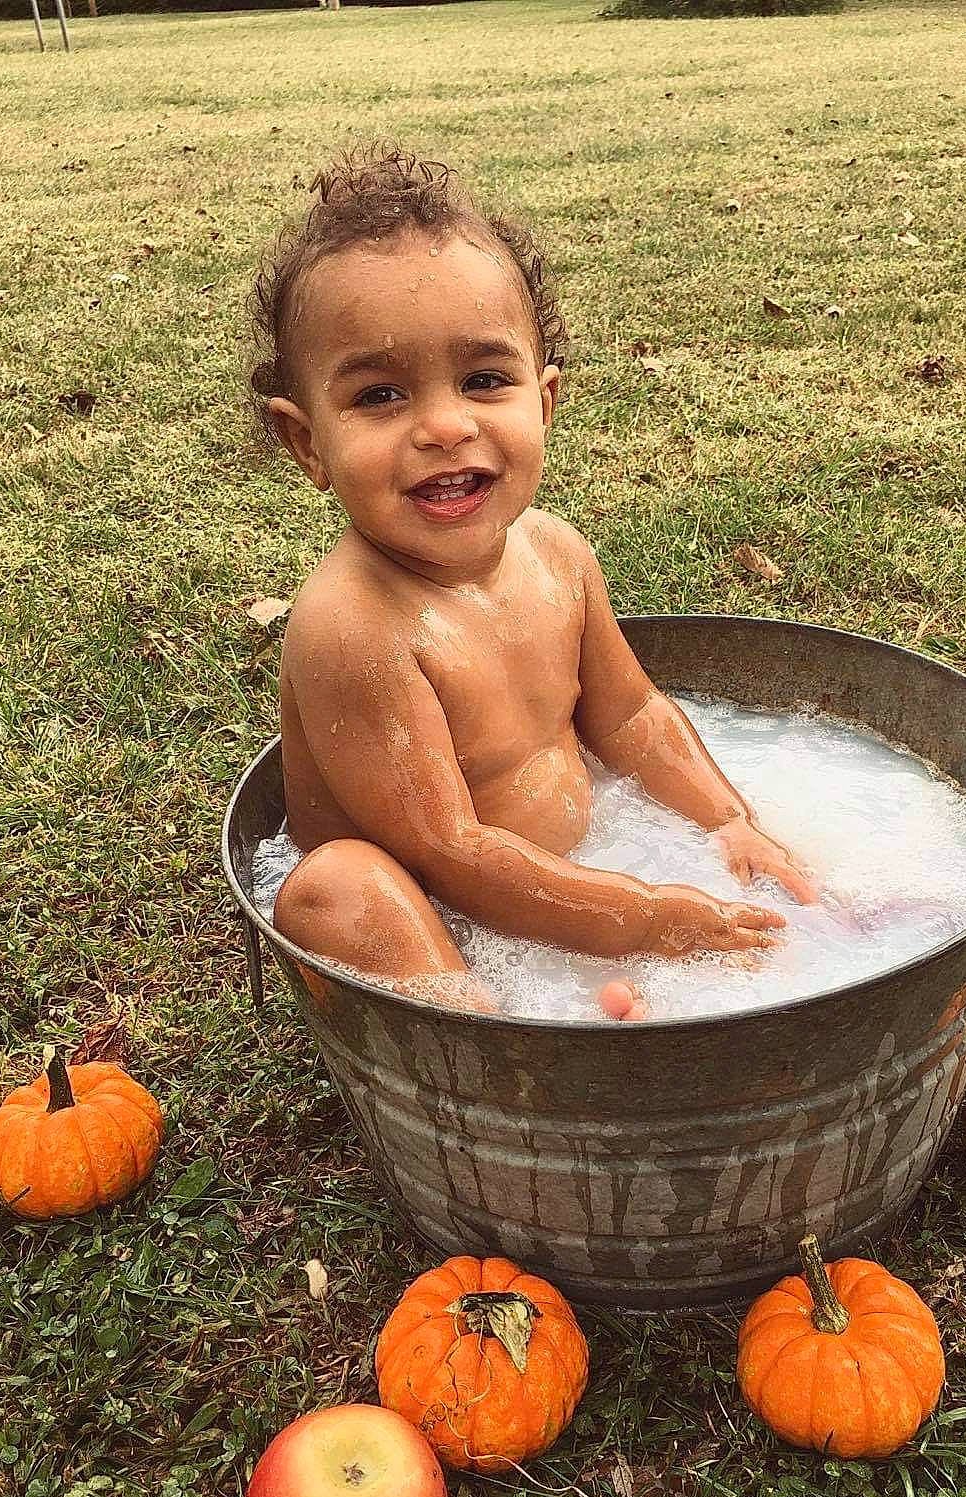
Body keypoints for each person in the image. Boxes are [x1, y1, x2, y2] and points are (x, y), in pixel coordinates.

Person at [249, 142, 816, 1019]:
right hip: (432, 904)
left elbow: (631, 716)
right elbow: (448, 852)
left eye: (483, 380)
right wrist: (646, 918)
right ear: (308, 443)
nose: (444, 426)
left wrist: (727, 820)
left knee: (748, 905)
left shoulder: (558, 556)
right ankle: (484, 1023)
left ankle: (598, 1002)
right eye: (379, 396)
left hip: (560, 886)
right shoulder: (354, 627)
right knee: (339, 887)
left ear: (543, 403)